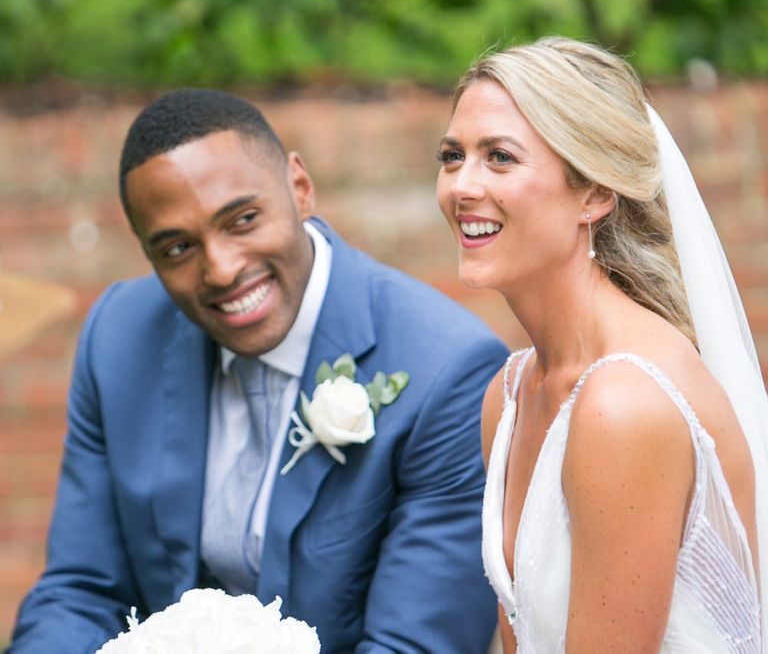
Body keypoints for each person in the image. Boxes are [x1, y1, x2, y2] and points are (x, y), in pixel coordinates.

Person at [9, 88, 509, 653]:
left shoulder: (446, 371)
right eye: (177, 249)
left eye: (242, 219)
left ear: (299, 187)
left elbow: (411, 646)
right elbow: (80, 592)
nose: (220, 270)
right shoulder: (119, 337)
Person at [437, 37, 768, 652]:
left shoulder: (623, 404)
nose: (462, 185)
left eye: (500, 157)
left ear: (594, 193)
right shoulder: (508, 396)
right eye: (453, 155)